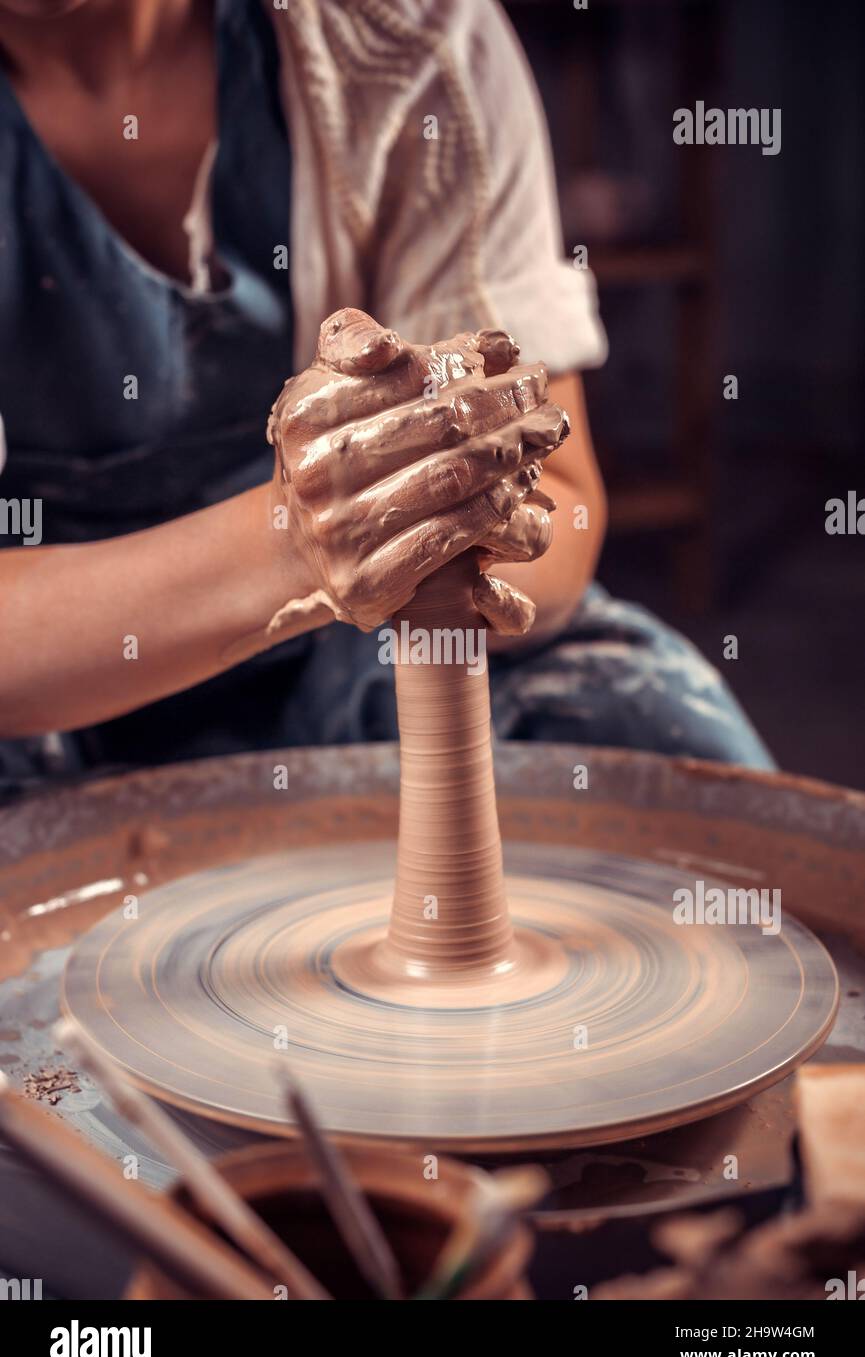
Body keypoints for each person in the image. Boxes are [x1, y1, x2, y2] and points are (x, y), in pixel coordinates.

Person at [0, 0, 773, 800]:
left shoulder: (407, 34)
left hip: (350, 646)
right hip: (44, 671)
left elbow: (562, 506)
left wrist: (436, 520)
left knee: (656, 744)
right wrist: (294, 547)